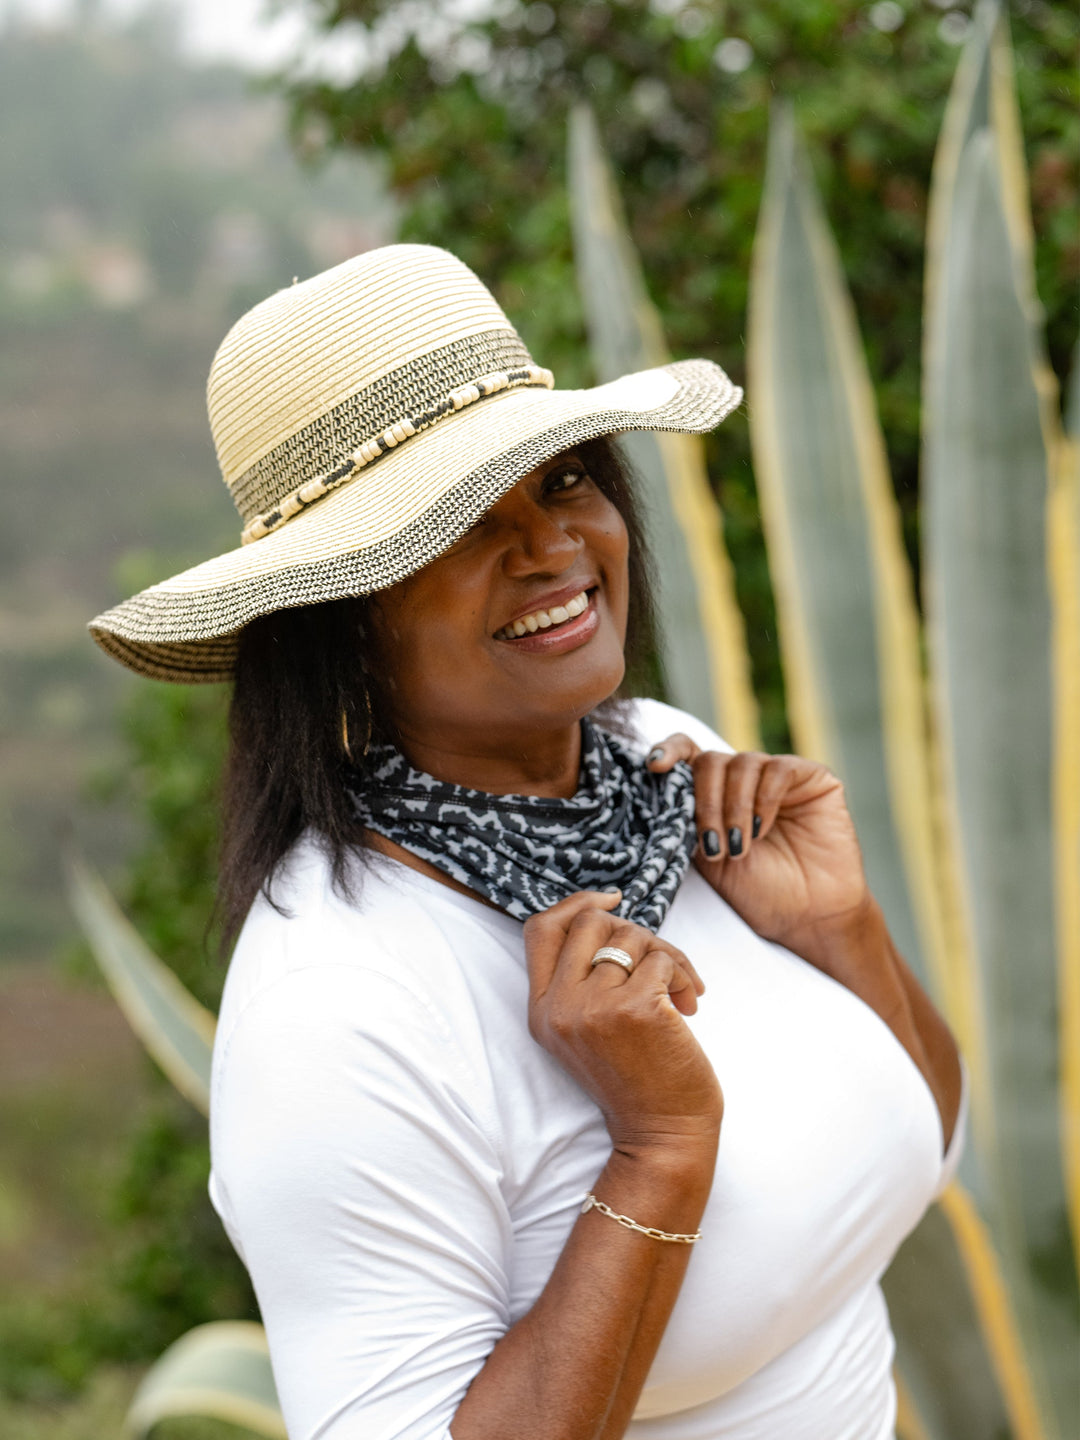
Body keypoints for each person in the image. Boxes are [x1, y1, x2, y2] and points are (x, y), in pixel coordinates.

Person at [90, 243, 966, 1440]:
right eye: (457, 524)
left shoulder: (662, 763)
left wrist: (837, 931)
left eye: (563, 481)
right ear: (336, 618)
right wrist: (659, 1149)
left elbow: (927, 1147)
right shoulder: (339, 1005)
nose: (550, 546)